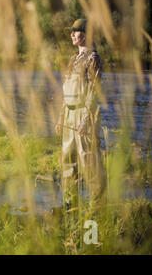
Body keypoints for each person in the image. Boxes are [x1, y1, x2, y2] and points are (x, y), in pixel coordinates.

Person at [55, 18, 106, 211]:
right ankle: (71, 205)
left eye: (75, 32)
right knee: (68, 161)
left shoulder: (94, 58)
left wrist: (86, 119)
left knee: (90, 160)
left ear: (85, 34)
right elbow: (66, 90)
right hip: (69, 113)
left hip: (85, 114)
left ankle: (98, 207)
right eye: (72, 32)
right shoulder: (72, 59)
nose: (72, 35)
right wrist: (61, 117)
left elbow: (94, 92)